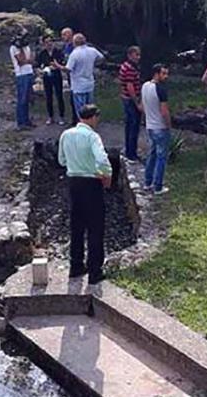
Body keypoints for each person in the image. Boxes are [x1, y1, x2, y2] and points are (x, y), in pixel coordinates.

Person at [58, 104, 113, 284]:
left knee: (76, 226)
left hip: (74, 183)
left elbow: (61, 160)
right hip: (91, 183)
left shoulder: (66, 135)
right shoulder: (92, 136)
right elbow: (102, 159)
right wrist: (106, 175)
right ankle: (94, 271)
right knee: (95, 228)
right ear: (92, 117)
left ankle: (76, 266)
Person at [141, 63, 172, 195]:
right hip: (160, 126)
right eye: (163, 73)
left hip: (150, 126)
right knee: (161, 157)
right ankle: (158, 186)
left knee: (152, 154)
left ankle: (147, 182)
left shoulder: (145, 86)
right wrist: (168, 125)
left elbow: (142, 106)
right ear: (156, 73)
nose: (166, 76)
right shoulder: (160, 90)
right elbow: (164, 111)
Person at [64, 34, 104, 119]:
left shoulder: (74, 54)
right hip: (89, 82)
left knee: (80, 109)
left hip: (78, 85)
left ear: (74, 42)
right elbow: (101, 58)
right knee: (90, 107)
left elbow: (68, 69)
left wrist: (58, 66)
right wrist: (94, 64)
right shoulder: (92, 50)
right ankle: (91, 121)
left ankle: (82, 123)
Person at [118, 46, 144, 162]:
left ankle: (129, 149)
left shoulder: (128, 66)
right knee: (134, 125)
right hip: (130, 99)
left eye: (139, 55)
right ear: (129, 55)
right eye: (136, 55)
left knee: (129, 124)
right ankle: (131, 152)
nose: (138, 57)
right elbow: (130, 86)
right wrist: (137, 102)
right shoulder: (129, 68)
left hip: (126, 98)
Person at [36, 35, 67, 125]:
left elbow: (62, 62)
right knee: (48, 96)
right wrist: (41, 70)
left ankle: (61, 116)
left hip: (57, 75)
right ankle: (50, 116)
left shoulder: (58, 52)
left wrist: (57, 66)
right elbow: (38, 64)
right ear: (44, 44)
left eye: (50, 41)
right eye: (46, 42)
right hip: (46, 76)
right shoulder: (42, 53)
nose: (49, 44)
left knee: (59, 95)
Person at [8, 37, 35, 128]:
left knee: (28, 99)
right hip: (21, 74)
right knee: (22, 99)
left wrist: (28, 60)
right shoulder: (14, 48)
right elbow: (21, 61)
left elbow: (32, 60)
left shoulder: (27, 47)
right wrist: (20, 49)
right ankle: (21, 122)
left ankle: (26, 120)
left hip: (29, 72)